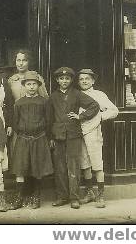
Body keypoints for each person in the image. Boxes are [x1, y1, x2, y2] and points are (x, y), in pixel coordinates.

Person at [48, 67, 99, 209]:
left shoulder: (77, 94)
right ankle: (62, 197)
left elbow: (94, 106)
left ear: (71, 80)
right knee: (60, 168)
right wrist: (51, 136)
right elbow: (49, 118)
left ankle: (74, 198)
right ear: (57, 80)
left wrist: (80, 116)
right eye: (61, 78)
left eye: (67, 78)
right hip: (58, 136)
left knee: (73, 167)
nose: (64, 81)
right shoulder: (52, 97)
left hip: (73, 135)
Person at [10, 71, 54, 209]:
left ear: (38, 85)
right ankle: (19, 197)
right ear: (24, 86)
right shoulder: (19, 103)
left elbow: (49, 120)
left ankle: (36, 196)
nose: (31, 87)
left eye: (34, 84)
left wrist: (46, 136)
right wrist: (24, 132)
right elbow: (15, 122)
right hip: (23, 138)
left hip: (40, 138)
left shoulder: (44, 102)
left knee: (37, 168)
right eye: (28, 84)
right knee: (20, 168)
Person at [77, 68, 118, 208]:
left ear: (93, 80)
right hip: (79, 133)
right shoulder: (75, 95)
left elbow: (114, 110)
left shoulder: (99, 95)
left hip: (94, 132)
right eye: (81, 79)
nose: (84, 81)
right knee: (84, 163)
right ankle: (90, 193)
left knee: (96, 163)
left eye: (87, 79)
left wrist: (99, 117)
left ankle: (100, 195)